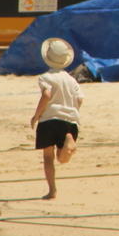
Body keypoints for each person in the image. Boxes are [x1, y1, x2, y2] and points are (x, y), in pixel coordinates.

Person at [31, 38, 83, 200]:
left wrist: (36, 115)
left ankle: (52, 190)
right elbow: (80, 99)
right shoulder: (71, 79)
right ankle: (68, 138)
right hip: (71, 120)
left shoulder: (46, 77)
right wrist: (73, 111)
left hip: (49, 119)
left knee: (48, 157)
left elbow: (46, 95)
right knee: (63, 159)